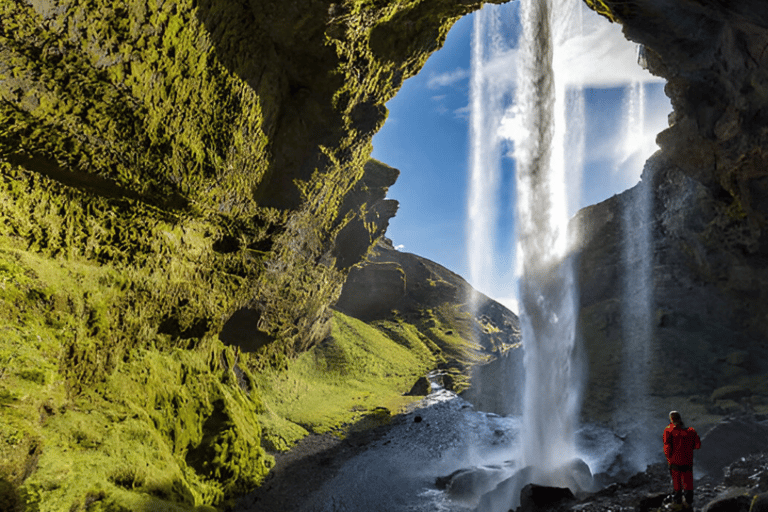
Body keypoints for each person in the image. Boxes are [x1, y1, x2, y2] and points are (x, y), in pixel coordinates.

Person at [663, 410, 701, 509]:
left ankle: (677, 501)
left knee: (676, 482)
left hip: (675, 462)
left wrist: (669, 458)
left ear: (672, 419)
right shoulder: (691, 431)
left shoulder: (669, 430)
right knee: (688, 482)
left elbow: (667, 448)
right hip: (687, 461)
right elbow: (697, 445)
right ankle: (688, 502)